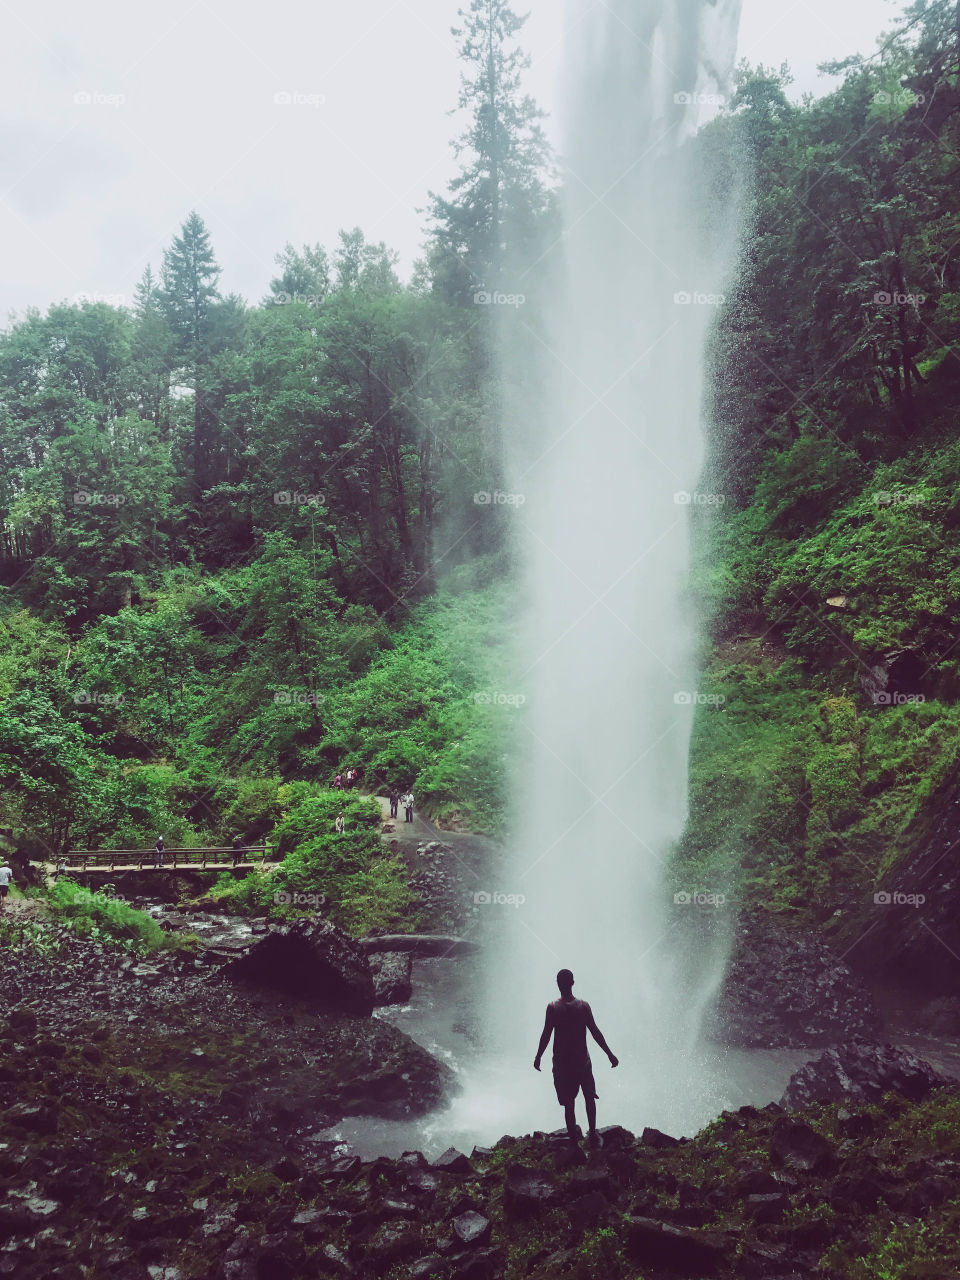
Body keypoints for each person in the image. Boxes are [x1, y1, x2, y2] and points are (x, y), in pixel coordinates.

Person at [534, 968, 619, 1147]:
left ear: (559, 984)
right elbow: (595, 1032)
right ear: (572, 982)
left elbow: (546, 1035)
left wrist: (538, 1056)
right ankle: (593, 1135)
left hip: (564, 1064)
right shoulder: (583, 1006)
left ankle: (574, 1142)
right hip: (581, 1062)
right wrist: (609, 1054)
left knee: (569, 1103)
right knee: (588, 1097)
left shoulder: (553, 1007)